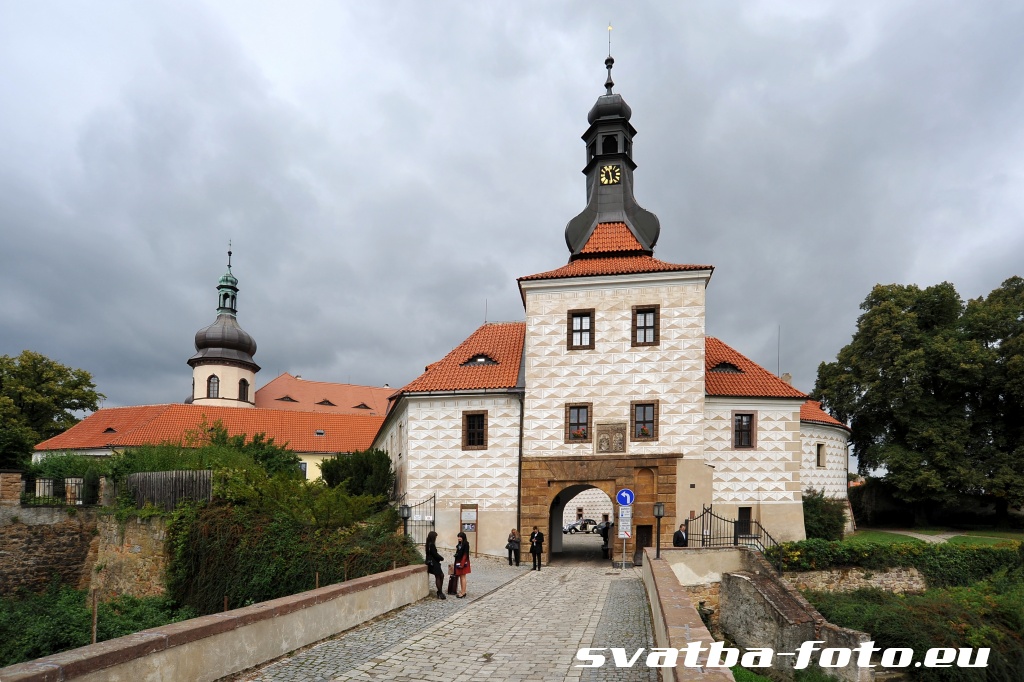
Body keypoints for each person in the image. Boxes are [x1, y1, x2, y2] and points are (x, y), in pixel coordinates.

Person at [424, 531, 446, 599]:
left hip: (430, 562)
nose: (436, 538)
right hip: (434, 563)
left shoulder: (428, 544)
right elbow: (434, 554)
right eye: (435, 537)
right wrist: (441, 558)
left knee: (440, 575)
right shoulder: (432, 545)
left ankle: (440, 591)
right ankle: (440, 592)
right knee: (439, 576)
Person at [453, 531, 471, 598]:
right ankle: (462, 590)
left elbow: (465, 554)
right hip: (459, 562)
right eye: (458, 537)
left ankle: (463, 592)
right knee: (461, 577)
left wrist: (462, 564)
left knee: (463, 577)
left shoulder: (466, 544)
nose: (459, 538)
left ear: (463, 537)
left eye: (460, 537)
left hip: (463, 562)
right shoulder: (460, 544)